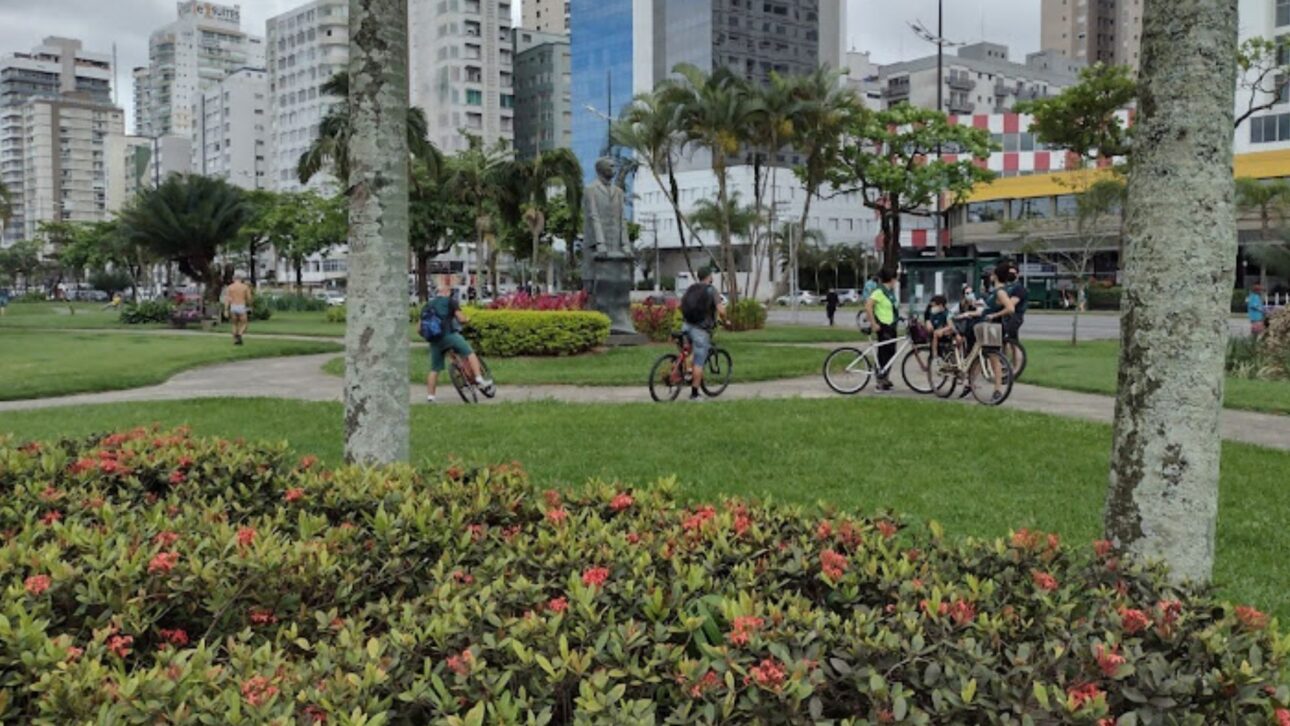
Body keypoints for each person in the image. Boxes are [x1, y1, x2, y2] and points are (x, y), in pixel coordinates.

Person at [424, 287, 492, 403]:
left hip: (434, 341)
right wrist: (467, 319)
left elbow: (419, 328)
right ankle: (479, 378)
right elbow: (461, 319)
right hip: (449, 336)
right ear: (447, 292)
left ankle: (431, 397)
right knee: (470, 353)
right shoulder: (450, 302)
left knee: (434, 369)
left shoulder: (428, 305)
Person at [679, 266, 726, 402]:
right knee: (699, 362)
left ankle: (688, 372)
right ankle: (694, 394)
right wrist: (726, 320)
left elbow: (681, 305)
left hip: (686, 326)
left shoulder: (691, 288)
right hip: (700, 330)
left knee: (688, 352)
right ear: (709, 276)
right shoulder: (711, 290)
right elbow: (721, 311)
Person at [865, 269, 899, 392]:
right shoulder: (879, 291)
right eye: (896, 279)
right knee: (884, 353)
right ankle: (880, 381)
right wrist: (873, 323)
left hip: (891, 326)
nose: (896, 282)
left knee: (891, 352)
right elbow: (868, 306)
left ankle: (885, 378)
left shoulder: (889, 293)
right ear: (892, 279)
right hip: (883, 326)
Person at [224, 276, 253, 346]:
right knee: (244, 323)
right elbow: (249, 298)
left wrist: (226, 310)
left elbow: (227, 299)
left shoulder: (230, 287)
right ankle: (239, 335)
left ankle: (235, 340)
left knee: (234, 324)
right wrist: (250, 306)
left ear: (233, 279)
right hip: (241, 305)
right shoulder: (245, 287)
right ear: (241, 279)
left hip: (233, 306)